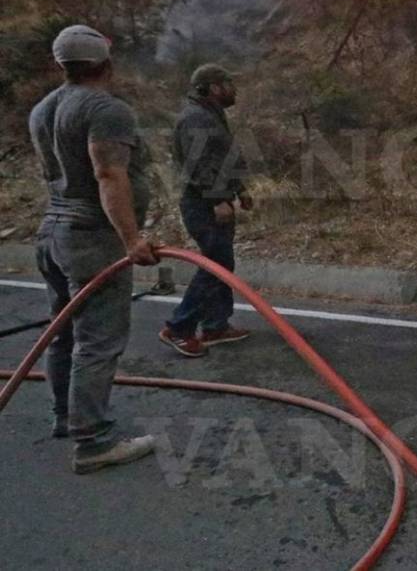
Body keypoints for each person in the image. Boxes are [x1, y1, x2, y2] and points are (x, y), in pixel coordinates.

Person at [29, 25, 159, 474]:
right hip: (91, 238)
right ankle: (93, 442)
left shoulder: (43, 109)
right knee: (98, 340)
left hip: (52, 233)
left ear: (61, 64)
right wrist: (131, 240)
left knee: (63, 331)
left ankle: (66, 418)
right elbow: (108, 175)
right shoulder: (106, 109)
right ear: (106, 63)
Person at [159, 64, 252, 357]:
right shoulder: (196, 118)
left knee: (222, 264)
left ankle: (216, 326)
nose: (233, 90)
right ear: (213, 87)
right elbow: (197, 165)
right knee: (215, 265)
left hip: (215, 199)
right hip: (202, 203)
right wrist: (216, 200)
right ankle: (178, 327)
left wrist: (239, 190)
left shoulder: (211, 114)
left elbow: (220, 159)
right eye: (228, 84)